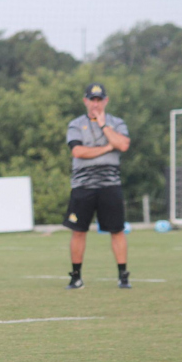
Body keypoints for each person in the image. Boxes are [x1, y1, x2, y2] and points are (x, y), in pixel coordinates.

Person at [62, 82, 132, 290]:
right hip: (83, 187)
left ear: (106, 101)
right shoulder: (75, 124)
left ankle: (123, 275)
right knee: (78, 231)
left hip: (110, 186)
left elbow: (124, 145)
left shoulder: (116, 123)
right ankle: (76, 276)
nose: (95, 104)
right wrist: (108, 147)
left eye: (99, 100)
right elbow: (78, 152)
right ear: (85, 101)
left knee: (117, 230)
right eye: (92, 100)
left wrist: (104, 126)